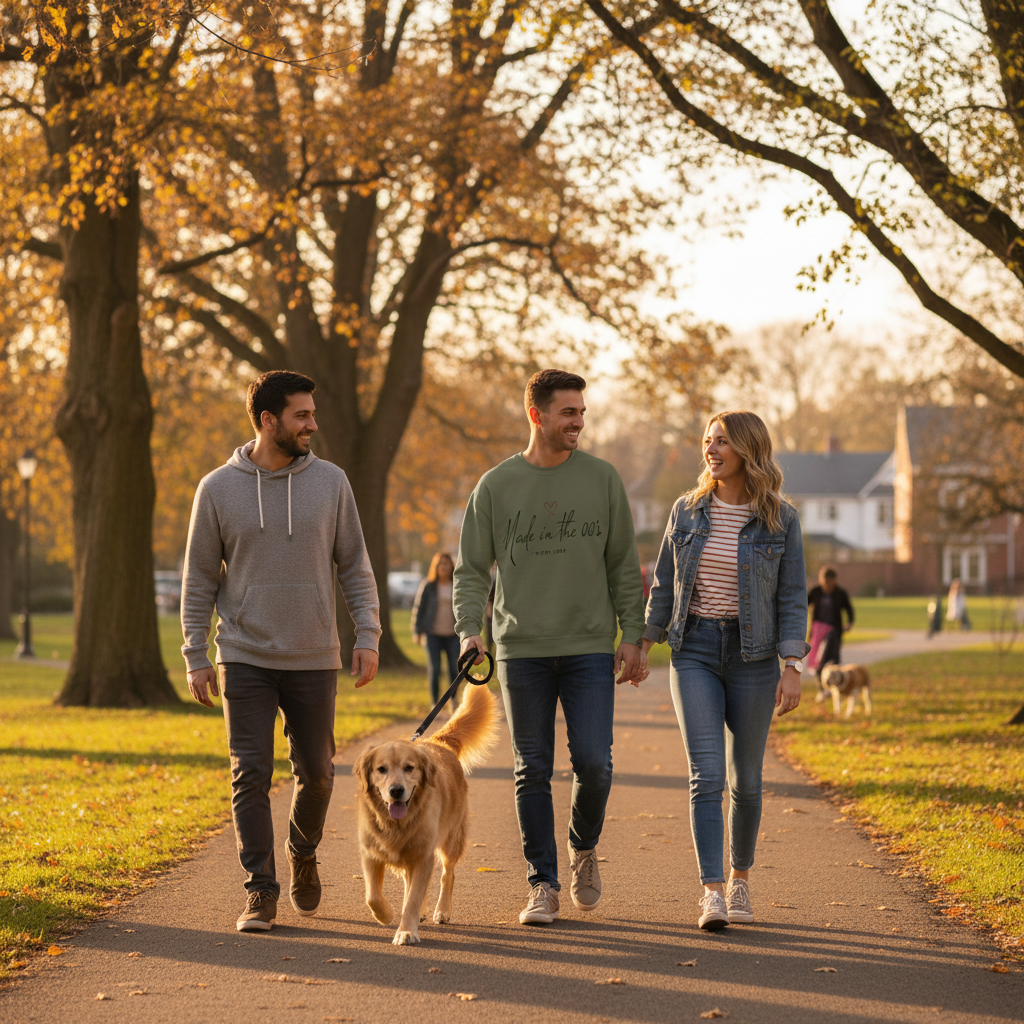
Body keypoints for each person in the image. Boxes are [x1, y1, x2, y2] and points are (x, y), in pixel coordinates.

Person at [180, 370, 381, 933]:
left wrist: (367, 634)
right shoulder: (217, 488)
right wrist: (196, 652)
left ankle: (302, 849)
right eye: (302, 415)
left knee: (316, 774)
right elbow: (197, 579)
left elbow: (356, 566)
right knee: (249, 772)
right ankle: (260, 890)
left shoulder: (332, 482)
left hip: (314, 652)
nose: (313, 424)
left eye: (313, 414)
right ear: (268, 420)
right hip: (242, 652)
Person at [454, 368, 648, 926]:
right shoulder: (495, 486)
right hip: (521, 648)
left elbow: (623, 568)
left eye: (582, 412)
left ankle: (582, 846)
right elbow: (469, 570)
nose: (579, 422)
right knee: (530, 766)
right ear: (537, 415)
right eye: (569, 412)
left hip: (588, 643)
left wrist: (631, 635)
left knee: (595, 763)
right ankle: (542, 881)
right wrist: (472, 629)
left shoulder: (603, 479)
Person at [641, 410, 808, 932]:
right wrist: (644, 642)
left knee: (748, 783)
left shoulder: (781, 519)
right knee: (706, 775)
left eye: (721, 443)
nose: (711, 450)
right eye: (708, 441)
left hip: (754, 658)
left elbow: (791, 595)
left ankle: (740, 878)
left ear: (748, 450)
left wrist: (792, 664)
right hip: (693, 649)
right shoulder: (686, 511)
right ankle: (711, 891)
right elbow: (664, 584)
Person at [411, 552, 461, 703]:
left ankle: (453, 700)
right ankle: (435, 703)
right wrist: (417, 631)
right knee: (435, 669)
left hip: (453, 635)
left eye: (446, 563)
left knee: (454, 668)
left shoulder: (457, 585)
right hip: (433, 634)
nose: (443, 566)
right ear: (435, 566)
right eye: (440, 563)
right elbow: (419, 609)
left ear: (452, 566)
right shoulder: (429, 585)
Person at [807, 566, 855, 690]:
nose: (827, 585)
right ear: (821, 580)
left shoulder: (840, 593)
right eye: (825, 582)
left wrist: (850, 622)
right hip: (818, 632)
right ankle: (822, 689)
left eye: (830, 582)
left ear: (834, 580)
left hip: (834, 632)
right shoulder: (816, 592)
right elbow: (803, 604)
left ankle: (835, 687)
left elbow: (849, 609)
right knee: (819, 661)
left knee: (832, 660)